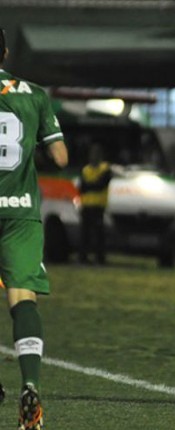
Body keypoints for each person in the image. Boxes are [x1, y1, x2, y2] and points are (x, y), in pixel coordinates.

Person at [0, 27, 69, 430]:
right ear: (5, 52)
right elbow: (60, 157)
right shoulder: (35, 94)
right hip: (21, 211)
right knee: (22, 297)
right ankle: (30, 384)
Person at [78, 144, 112, 265]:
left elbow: (100, 185)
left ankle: (100, 258)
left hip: (98, 206)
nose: (94, 156)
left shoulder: (105, 169)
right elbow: (82, 187)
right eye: (92, 153)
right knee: (85, 234)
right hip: (86, 205)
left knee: (99, 234)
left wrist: (89, 185)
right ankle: (83, 257)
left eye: (96, 153)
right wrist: (92, 185)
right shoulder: (86, 170)